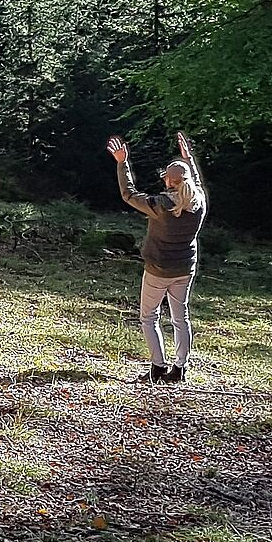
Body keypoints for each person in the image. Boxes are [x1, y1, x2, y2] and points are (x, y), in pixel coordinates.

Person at [109, 131, 207, 382]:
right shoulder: (199, 203)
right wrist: (189, 159)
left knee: (149, 317)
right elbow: (194, 181)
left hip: (157, 269)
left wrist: (123, 163)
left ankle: (157, 367)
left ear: (170, 182)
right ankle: (180, 369)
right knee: (180, 317)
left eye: (167, 178)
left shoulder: (161, 205)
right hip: (185, 268)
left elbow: (128, 194)